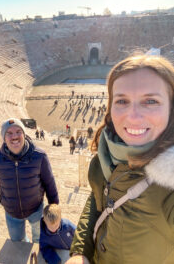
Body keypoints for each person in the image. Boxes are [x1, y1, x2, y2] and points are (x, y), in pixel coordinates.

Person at [67, 55, 174, 264]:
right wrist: (80, 252)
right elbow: (98, 199)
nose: (133, 116)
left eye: (150, 101)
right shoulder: (108, 157)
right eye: (122, 100)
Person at [0, 118, 59, 243]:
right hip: (12, 212)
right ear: (4, 138)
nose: (15, 136)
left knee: (39, 239)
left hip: (36, 208)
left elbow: (49, 183)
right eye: (9, 133)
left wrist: (54, 207)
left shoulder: (39, 156)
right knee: (18, 242)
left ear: (24, 134)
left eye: (18, 131)